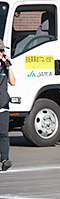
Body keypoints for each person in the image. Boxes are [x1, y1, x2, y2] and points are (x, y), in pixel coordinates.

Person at [0, 39, 15, 171]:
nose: (2, 53)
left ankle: (5, 159)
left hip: (3, 105)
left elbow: (13, 82)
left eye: (2, 50)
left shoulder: (4, 66)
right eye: (0, 50)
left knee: (4, 134)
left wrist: (9, 67)